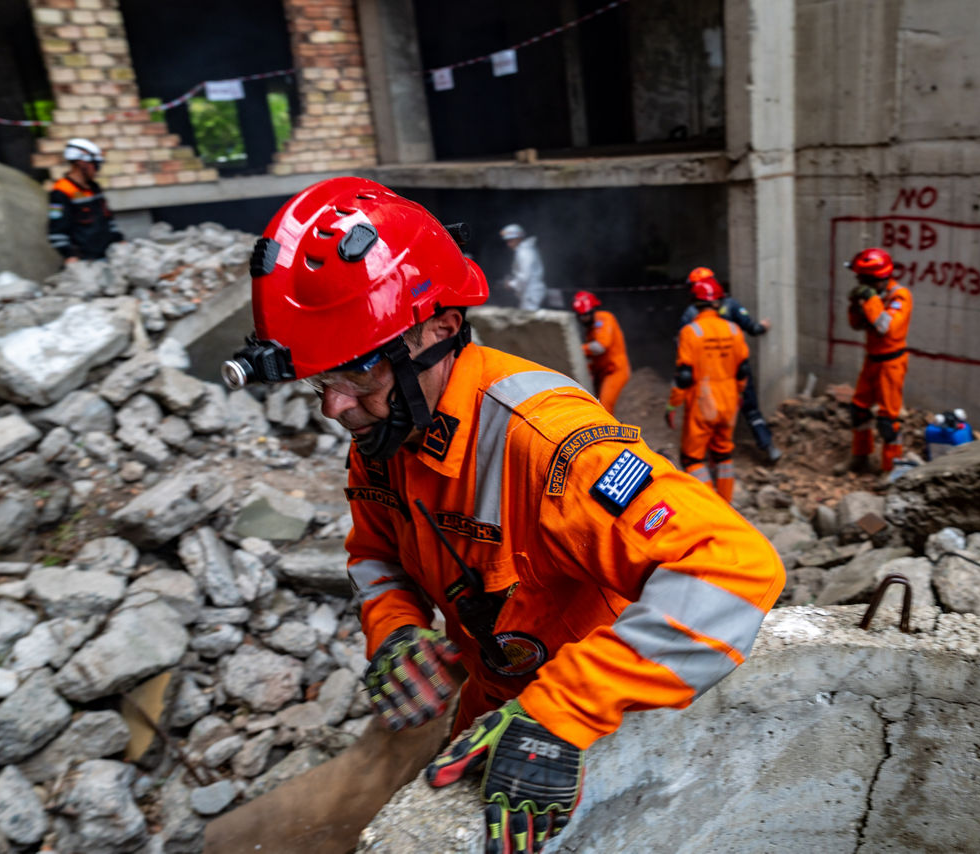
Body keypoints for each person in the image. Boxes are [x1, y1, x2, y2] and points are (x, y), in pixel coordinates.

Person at [222, 178, 784, 854]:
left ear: (440, 328)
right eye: (320, 382)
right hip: (495, 700)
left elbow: (735, 565)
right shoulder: (384, 435)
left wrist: (563, 713)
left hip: (601, 709)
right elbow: (373, 550)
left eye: (355, 375)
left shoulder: (544, 444)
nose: (332, 408)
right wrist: (395, 629)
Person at [678, 267, 781, 462]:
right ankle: (767, 446)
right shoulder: (731, 304)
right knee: (750, 408)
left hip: (706, 375)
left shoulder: (690, 312)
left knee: (703, 415)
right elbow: (750, 327)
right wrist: (762, 327)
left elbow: (682, 345)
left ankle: (704, 455)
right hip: (735, 369)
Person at [666, 276, 751, 502]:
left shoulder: (691, 332)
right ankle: (726, 505)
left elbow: (684, 376)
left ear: (695, 303)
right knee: (723, 454)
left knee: (692, 459)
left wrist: (673, 404)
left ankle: (708, 507)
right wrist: (740, 394)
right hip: (730, 400)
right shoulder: (734, 329)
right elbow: (742, 370)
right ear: (718, 303)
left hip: (703, 403)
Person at [843, 246, 913, 473]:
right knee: (859, 410)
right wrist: (855, 306)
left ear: (877, 278)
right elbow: (856, 325)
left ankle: (892, 471)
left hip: (891, 363)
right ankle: (860, 457)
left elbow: (885, 327)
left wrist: (870, 300)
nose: (859, 283)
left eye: (862, 279)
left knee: (888, 421)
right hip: (872, 360)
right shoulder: (876, 296)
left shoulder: (899, 297)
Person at [47, 138, 123, 263]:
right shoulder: (61, 191)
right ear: (82, 163)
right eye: (95, 165)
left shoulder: (94, 188)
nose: (97, 169)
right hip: (86, 261)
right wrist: (69, 254)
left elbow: (108, 218)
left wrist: (119, 239)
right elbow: (56, 231)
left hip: (109, 255)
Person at [572, 289, 630, 415]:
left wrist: (579, 350)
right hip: (601, 372)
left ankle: (609, 434)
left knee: (605, 407)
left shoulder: (605, 319)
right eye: (581, 316)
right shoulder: (590, 329)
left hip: (615, 370)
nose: (584, 319)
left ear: (593, 310)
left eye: (586, 315)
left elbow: (601, 347)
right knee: (595, 405)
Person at [499, 223, 546, 310]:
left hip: (531, 294)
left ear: (518, 238)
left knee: (529, 321)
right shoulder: (524, 250)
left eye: (511, 240)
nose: (508, 244)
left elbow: (524, 277)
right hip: (528, 294)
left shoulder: (525, 252)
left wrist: (511, 284)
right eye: (507, 241)